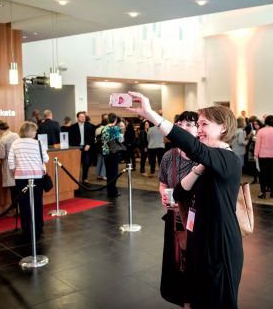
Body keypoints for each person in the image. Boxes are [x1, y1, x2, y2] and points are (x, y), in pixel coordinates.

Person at [126, 92, 243, 308]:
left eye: (204, 124)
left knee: (218, 300)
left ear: (223, 128)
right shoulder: (207, 163)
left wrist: (151, 115)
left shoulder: (227, 159)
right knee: (198, 296)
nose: (198, 130)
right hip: (198, 237)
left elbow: (192, 146)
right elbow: (180, 194)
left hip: (220, 243)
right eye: (198, 124)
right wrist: (198, 170)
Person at [158, 111, 199, 308]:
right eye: (180, 123)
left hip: (200, 222)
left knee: (197, 266)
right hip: (175, 220)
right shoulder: (169, 156)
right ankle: (185, 301)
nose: (183, 126)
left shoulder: (205, 155)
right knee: (178, 266)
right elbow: (163, 182)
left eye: (190, 124)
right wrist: (164, 196)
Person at [8, 121, 49, 239]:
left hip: (21, 178)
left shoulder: (15, 143)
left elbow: (11, 162)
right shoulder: (39, 143)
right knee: (37, 203)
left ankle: (26, 228)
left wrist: (15, 171)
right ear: (30, 131)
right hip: (37, 177)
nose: (36, 132)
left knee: (24, 204)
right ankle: (38, 227)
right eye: (35, 130)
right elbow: (46, 159)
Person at [254, 115, 273, 199]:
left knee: (263, 174)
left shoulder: (261, 131)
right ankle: (272, 192)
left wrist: (255, 154)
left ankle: (263, 192)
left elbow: (257, 144)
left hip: (263, 155)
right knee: (272, 174)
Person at [0, 120, 20, 195]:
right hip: (18, 163)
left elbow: (2, 155)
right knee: (18, 187)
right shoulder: (16, 135)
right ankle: (18, 206)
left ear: (1, 129)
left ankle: (14, 205)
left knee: (12, 189)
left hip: (8, 165)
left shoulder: (3, 139)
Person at [69, 111, 95, 185]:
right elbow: (71, 139)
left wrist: (89, 144)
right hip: (76, 148)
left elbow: (92, 137)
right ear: (77, 118)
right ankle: (75, 179)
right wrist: (74, 147)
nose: (83, 118)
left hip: (86, 147)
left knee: (86, 163)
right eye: (81, 117)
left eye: (84, 117)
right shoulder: (73, 127)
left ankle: (85, 178)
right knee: (76, 164)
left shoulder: (89, 126)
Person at [102, 113, 123, 198]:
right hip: (114, 152)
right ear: (115, 120)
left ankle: (109, 191)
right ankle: (113, 191)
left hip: (106, 152)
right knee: (114, 173)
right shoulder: (115, 128)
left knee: (108, 172)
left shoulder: (104, 128)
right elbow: (120, 140)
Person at [247, 119, 263, 184]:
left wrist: (255, 138)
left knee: (259, 165)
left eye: (256, 124)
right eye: (254, 124)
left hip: (259, 149)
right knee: (253, 165)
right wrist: (250, 134)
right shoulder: (253, 131)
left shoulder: (261, 131)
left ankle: (260, 178)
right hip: (252, 149)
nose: (255, 125)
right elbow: (247, 138)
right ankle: (255, 178)